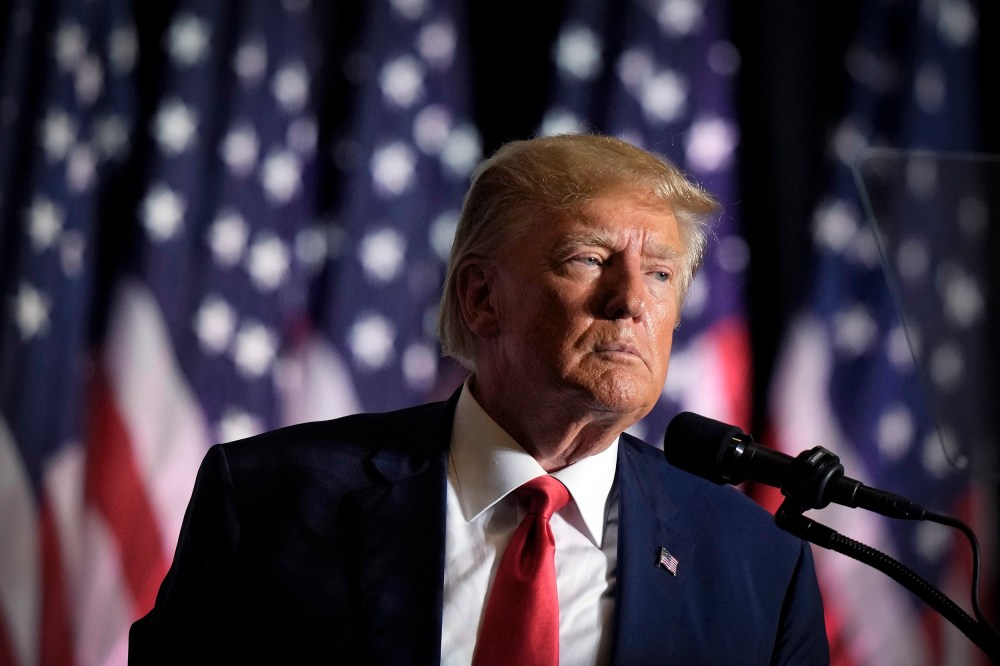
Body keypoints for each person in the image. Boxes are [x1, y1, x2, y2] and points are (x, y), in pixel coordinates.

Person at [128, 134, 829, 664]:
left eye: (661, 273)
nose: (630, 303)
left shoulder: (756, 563)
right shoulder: (269, 500)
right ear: (482, 297)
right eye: (588, 259)